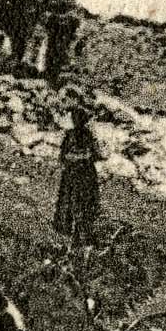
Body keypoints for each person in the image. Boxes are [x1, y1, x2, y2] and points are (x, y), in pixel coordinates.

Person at [53, 103, 105, 248]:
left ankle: (81, 235)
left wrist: (76, 156)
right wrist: (80, 156)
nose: (77, 121)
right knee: (72, 203)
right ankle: (73, 235)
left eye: (79, 119)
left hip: (81, 173)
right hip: (76, 173)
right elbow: (63, 155)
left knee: (82, 203)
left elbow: (93, 153)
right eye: (76, 118)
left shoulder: (86, 135)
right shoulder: (70, 135)